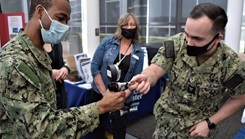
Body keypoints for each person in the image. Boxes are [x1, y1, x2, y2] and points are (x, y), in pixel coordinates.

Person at [0, 0, 126, 138]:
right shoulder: (15, 62)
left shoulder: (38, 52)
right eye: (60, 18)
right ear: (40, 12)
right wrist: (101, 107)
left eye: (67, 21)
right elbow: (41, 129)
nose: (64, 26)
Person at [129, 3, 245, 139]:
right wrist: (146, 77)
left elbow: (239, 98)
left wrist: (210, 123)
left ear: (217, 38)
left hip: (198, 131)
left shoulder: (230, 64)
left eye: (197, 38)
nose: (189, 43)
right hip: (165, 123)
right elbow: (155, 69)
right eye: (187, 34)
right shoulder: (176, 43)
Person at [90, 13, 144, 139]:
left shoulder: (139, 52)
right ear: (120, 26)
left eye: (132, 25)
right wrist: (106, 95)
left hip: (122, 99)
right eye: (125, 24)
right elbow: (94, 67)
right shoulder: (107, 42)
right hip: (100, 94)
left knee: (119, 132)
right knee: (96, 128)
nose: (128, 27)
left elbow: (135, 80)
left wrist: (120, 97)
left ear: (136, 28)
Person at [44, 43, 70, 109]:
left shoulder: (57, 44)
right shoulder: (33, 46)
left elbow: (60, 64)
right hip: (44, 95)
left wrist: (65, 68)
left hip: (59, 93)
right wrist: (50, 74)